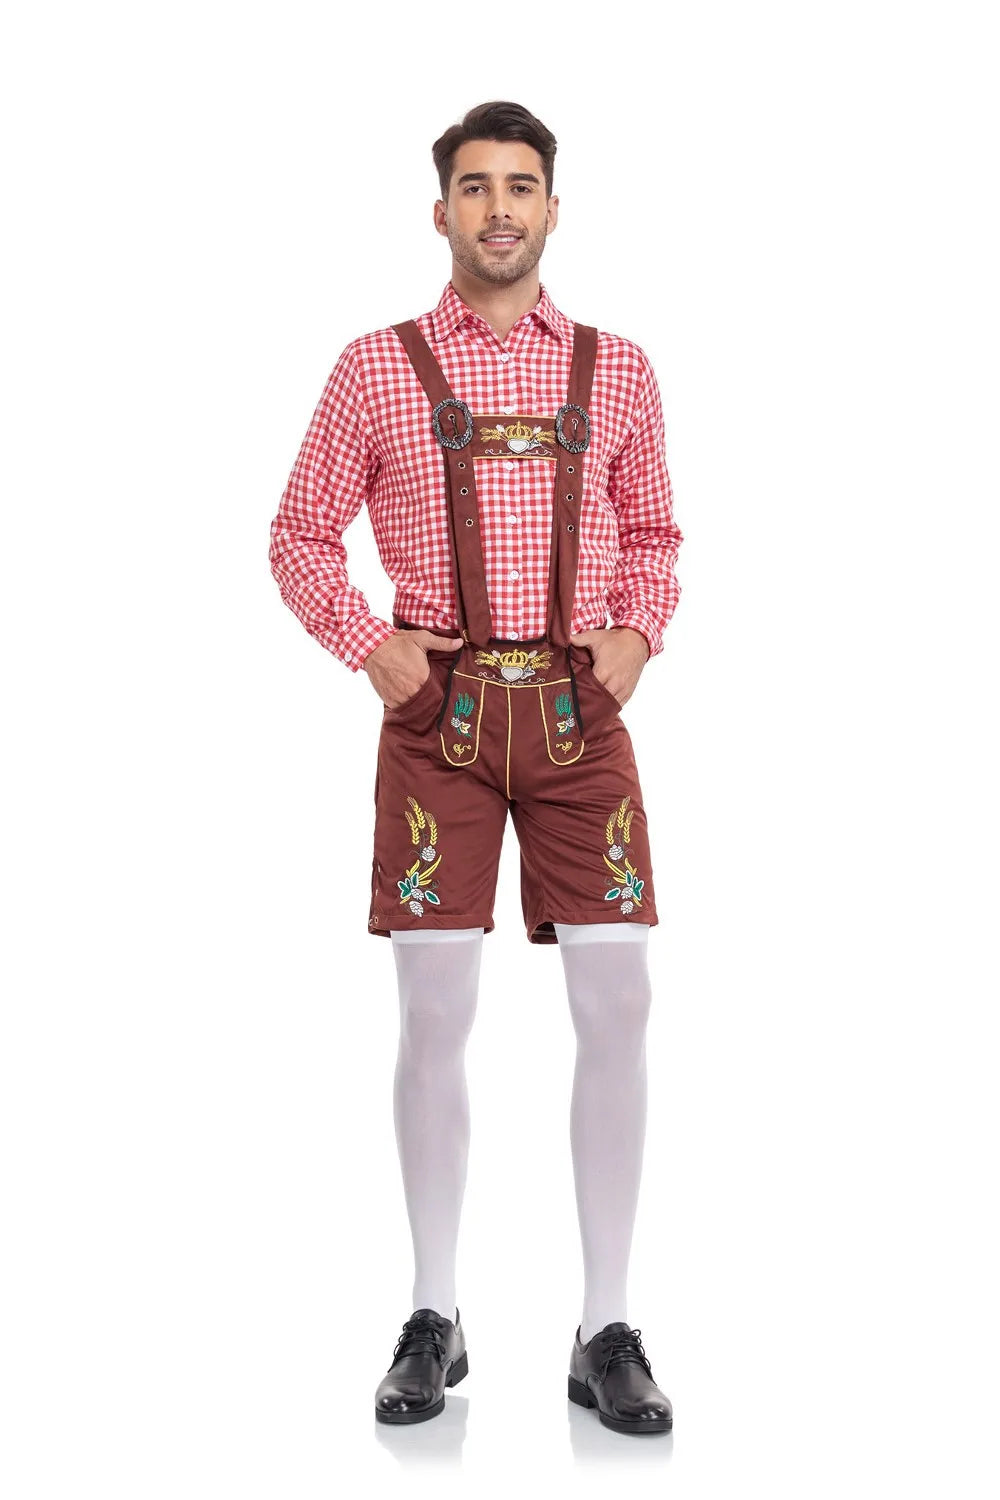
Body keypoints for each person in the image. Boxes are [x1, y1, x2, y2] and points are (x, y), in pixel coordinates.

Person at [268, 100, 683, 1435]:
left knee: (619, 1003)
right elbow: (297, 535)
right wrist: (366, 644)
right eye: (474, 186)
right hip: (436, 724)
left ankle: (605, 1325)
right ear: (440, 210)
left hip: (577, 722)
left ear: (554, 208)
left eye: (521, 186)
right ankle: (434, 1316)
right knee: (434, 1013)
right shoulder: (374, 366)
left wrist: (637, 632)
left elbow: (657, 533)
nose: (499, 208)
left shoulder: (619, 368)